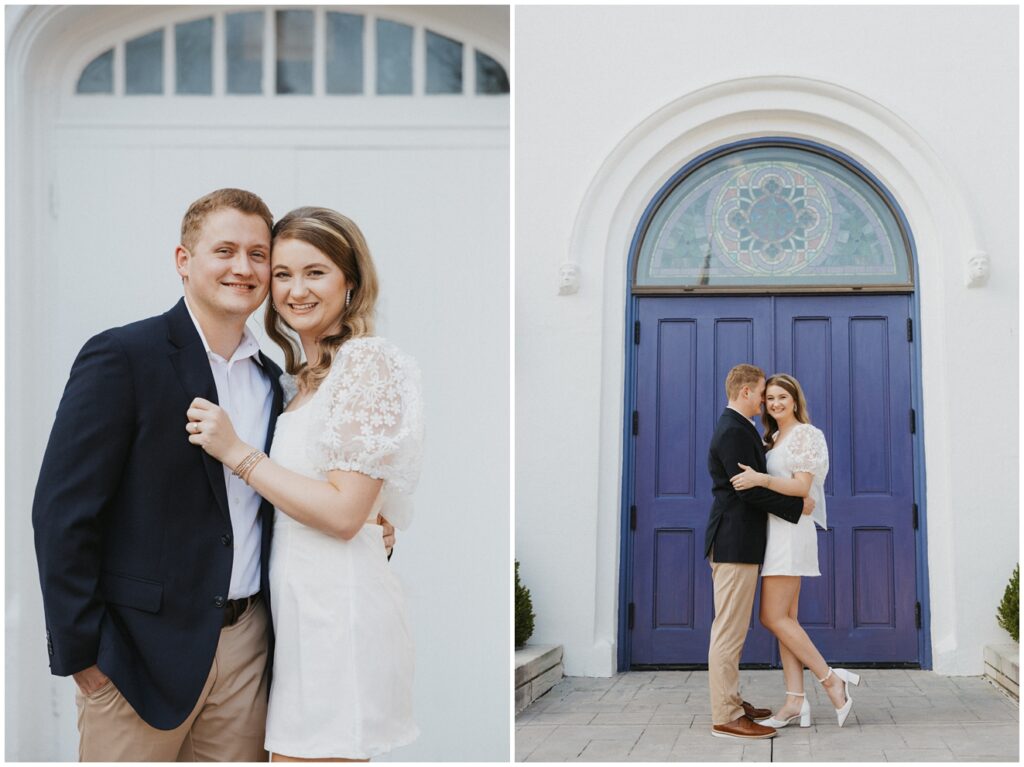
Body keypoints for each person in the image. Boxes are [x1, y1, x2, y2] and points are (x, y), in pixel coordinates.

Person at [31, 188, 397, 760]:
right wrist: (82, 655)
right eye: (225, 250)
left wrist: (370, 523)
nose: (243, 268)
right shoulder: (124, 356)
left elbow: (292, 495)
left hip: (251, 649)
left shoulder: (277, 384)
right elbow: (62, 513)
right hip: (137, 655)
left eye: (258, 255)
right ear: (184, 260)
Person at [186, 206, 423, 761]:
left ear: (352, 282)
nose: (295, 290)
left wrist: (236, 451)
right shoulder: (301, 380)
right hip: (296, 620)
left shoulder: (367, 364)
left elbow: (343, 515)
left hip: (336, 617)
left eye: (315, 272)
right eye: (284, 274)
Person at [729, 373, 860, 728]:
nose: (774, 404)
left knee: (772, 617)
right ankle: (794, 702)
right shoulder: (771, 437)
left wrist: (761, 479)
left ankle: (832, 680)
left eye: (781, 397)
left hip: (790, 533)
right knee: (787, 620)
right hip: (773, 532)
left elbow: (803, 488)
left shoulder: (806, 434)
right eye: (769, 398)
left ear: (795, 399)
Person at [704, 363, 815, 741]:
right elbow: (745, 489)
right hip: (734, 543)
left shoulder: (742, 428)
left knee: (732, 628)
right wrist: (797, 507)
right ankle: (726, 715)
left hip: (742, 543)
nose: (766, 401)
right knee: (729, 632)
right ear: (746, 392)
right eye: (763, 393)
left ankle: (732, 700)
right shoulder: (734, 430)